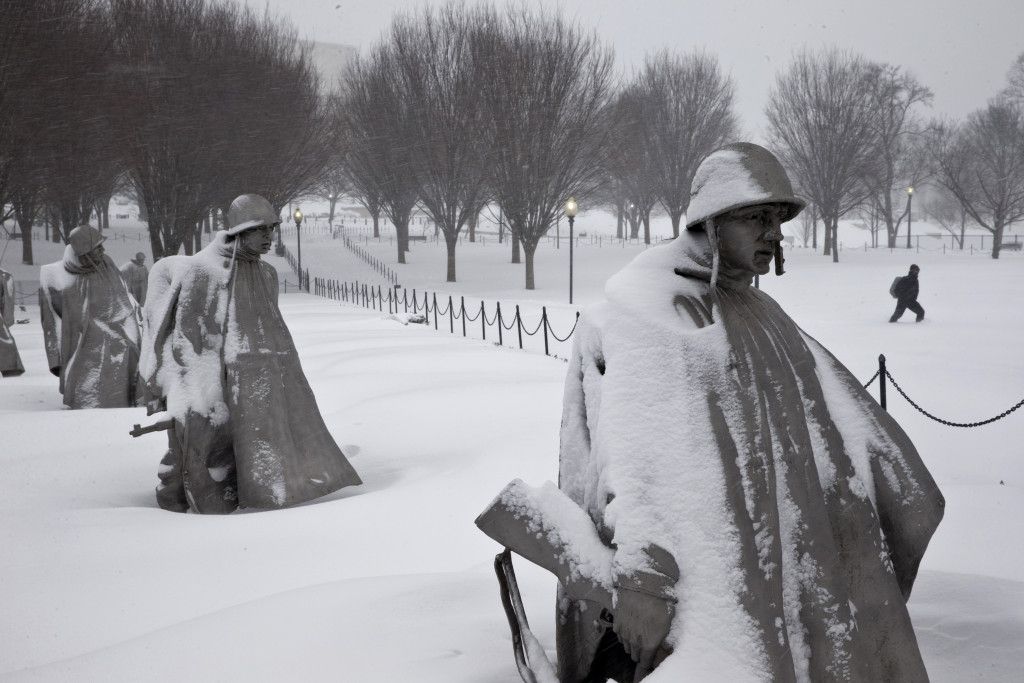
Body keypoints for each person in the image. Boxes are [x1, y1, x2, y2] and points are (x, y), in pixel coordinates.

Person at [555, 143, 944, 681]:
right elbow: (644, 449)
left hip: (779, 545)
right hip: (713, 566)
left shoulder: (756, 308)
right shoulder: (653, 306)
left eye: (778, 219)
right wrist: (645, 575)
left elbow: (830, 409)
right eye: (757, 218)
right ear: (711, 223)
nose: (774, 234)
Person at [140, 193, 361, 514]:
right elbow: (188, 340)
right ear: (238, 232)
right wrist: (201, 390)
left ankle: (267, 491)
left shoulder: (267, 274)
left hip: (265, 375)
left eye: (272, 229)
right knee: (212, 450)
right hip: (218, 377)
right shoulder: (204, 273)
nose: (269, 237)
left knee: (269, 439)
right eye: (260, 230)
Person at [38, 224, 142, 407]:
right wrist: (55, 358)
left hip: (121, 327)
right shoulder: (60, 277)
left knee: (127, 353)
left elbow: (123, 295)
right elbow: (52, 322)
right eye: (97, 247)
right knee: (90, 364)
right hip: (87, 336)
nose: (103, 250)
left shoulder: (106, 263)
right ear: (83, 252)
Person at [0, 267, 25, 377]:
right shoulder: (4, 276)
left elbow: (7, 302)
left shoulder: (4, 276)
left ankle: (11, 367)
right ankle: (11, 367)